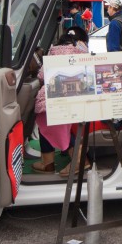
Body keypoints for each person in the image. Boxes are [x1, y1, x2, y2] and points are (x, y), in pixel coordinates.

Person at [33, 27, 90, 175]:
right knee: (57, 126)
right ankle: (50, 162)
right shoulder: (83, 52)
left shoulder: (53, 51)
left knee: (46, 123)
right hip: (79, 98)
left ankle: (62, 161)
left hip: (54, 100)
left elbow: (41, 76)